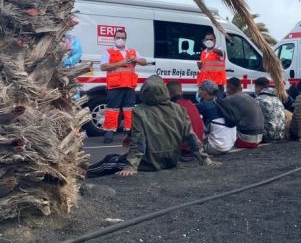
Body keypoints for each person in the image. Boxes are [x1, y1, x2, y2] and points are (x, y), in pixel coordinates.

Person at [86, 76, 217, 177]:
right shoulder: (179, 109)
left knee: (109, 161)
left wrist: (131, 166)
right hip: (171, 160)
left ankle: (83, 174)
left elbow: (139, 142)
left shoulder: (140, 111)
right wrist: (205, 159)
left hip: (149, 162)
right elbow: (191, 136)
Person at [99, 29, 147, 143]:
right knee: (112, 109)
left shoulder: (132, 52)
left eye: (122, 38)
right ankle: (109, 134)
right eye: (118, 37)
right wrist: (121, 63)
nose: (120, 40)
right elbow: (103, 67)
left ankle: (130, 134)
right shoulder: (108, 52)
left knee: (129, 110)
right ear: (114, 39)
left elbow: (144, 61)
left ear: (125, 39)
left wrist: (135, 59)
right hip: (115, 86)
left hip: (129, 85)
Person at [217, 77, 265, 148]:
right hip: (259, 138)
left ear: (228, 89)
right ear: (241, 87)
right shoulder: (250, 97)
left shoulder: (229, 99)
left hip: (245, 140)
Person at [196, 80, 236, 154]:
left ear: (205, 92)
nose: (198, 92)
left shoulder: (204, 106)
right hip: (230, 145)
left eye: (199, 89)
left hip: (216, 147)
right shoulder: (223, 103)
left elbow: (187, 109)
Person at [166, 80, 204, 157]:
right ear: (181, 92)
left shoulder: (173, 106)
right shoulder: (190, 103)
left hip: (185, 149)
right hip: (198, 146)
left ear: (167, 93)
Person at [254, 77, 287, 142]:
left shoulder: (259, 99)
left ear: (258, 87)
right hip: (281, 134)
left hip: (268, 136)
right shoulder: (277, 99)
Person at [196, 33, 226, 99]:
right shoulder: (204, 52)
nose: (209, 41)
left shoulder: (219, 49)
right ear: (204, 41)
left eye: (211, 39)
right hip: (205, 84)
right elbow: (203, 68)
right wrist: (200, 66)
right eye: (207, 40)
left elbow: (220, 53)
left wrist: (211, 46)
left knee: (217, 104)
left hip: (216, 84)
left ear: (215, 41)